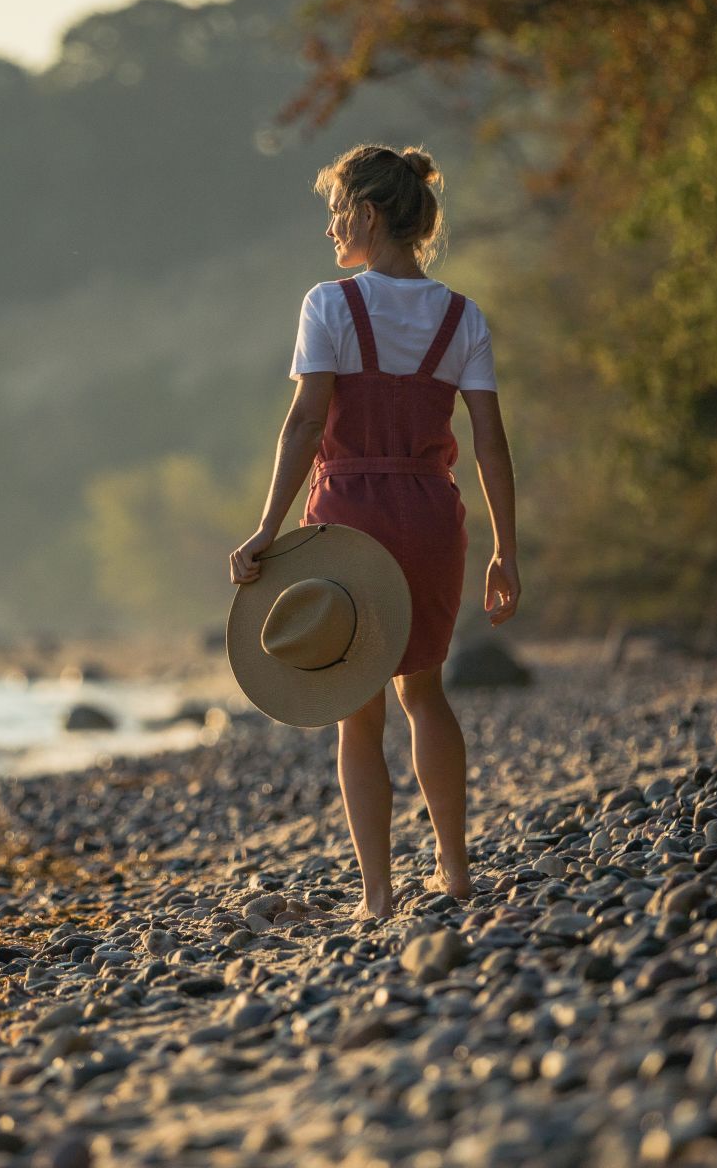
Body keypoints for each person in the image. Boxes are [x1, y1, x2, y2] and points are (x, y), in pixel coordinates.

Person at [229, 143, 520, 922]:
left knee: (359, 707)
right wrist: (505, 550)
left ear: (367, 213)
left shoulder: (328, 305)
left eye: (336, 213)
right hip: (430, 514)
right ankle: (455, 872)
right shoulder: (462, 316)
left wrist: (268, 527)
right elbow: (491, 442)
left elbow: (305, 421)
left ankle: (377, 894)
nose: (329, 230)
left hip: (349, 517)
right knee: (424, 694)